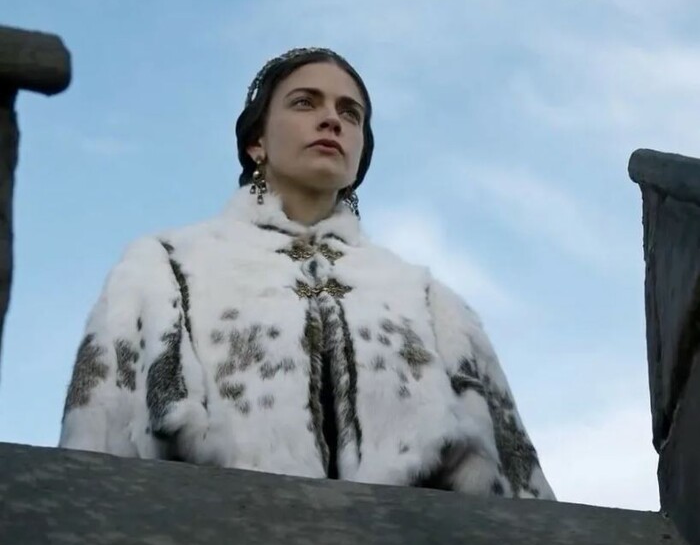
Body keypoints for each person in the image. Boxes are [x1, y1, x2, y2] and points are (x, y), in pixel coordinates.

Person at [59, 47, 555, 500]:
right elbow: (96, 455)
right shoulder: (166, 268)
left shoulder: (428, 301)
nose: (332, 119)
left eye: (350, 113)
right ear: (257, 142)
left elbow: (520, 491)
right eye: (304, 103)